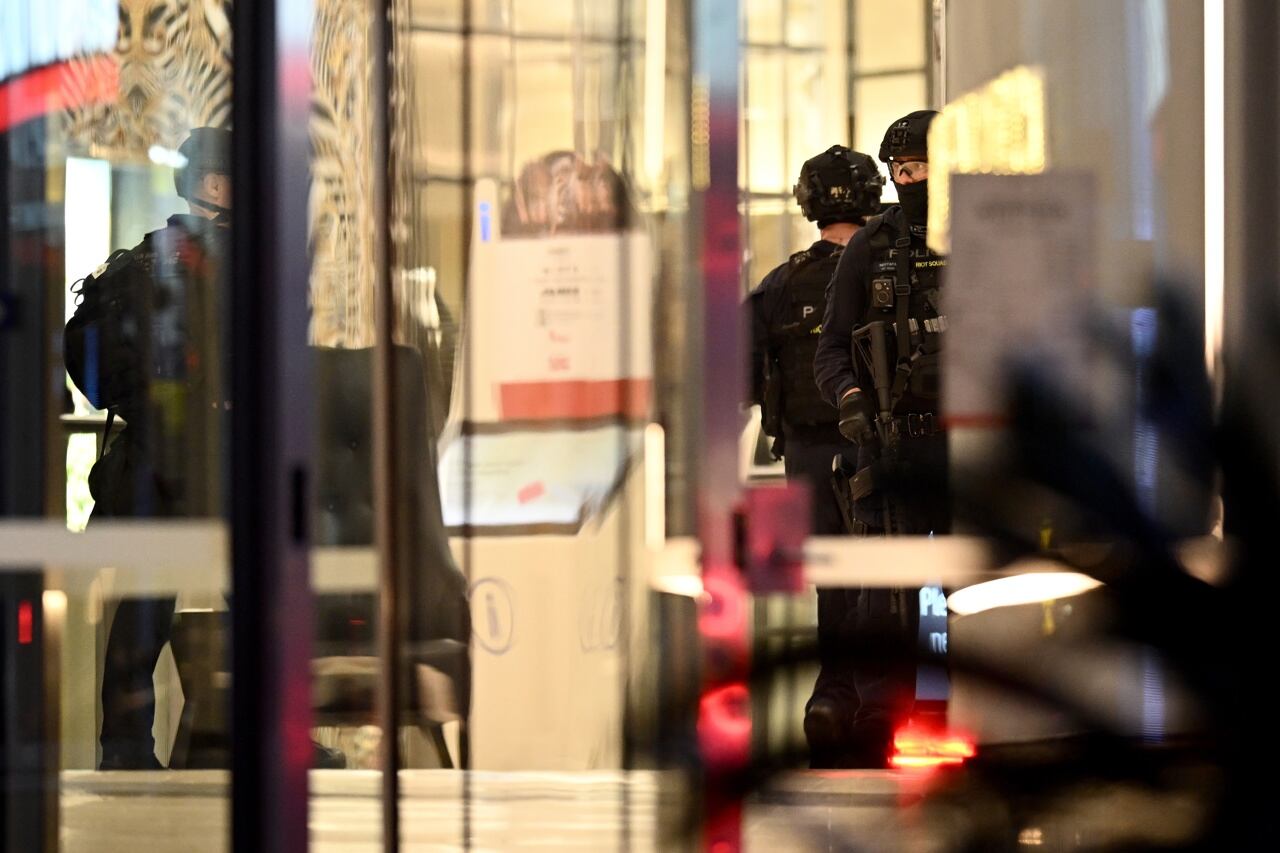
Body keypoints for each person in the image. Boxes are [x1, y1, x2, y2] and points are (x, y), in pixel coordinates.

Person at [65, 126, 232, 769]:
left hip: (146, 464)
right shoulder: (233, 260)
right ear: (214, 186)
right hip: (214, 460)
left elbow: (94, 364)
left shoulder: (139, 256)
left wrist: (147, 413)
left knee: (140, 616)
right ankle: (268, 738)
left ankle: (126, 751)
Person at [812, 110, 948, 767]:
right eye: (900, 170)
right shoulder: (871, 245)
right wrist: (852, 401)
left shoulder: (975, 239)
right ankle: (875, 713)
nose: (907, 178)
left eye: (918, 167)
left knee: (957, 583)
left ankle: (945, 706)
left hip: (960, 443)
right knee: (877, 589)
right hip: (889, 442)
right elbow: (832, 348)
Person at [744, 145, 883, 768]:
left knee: (831, 581)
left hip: (805, 452)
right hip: (881, 447)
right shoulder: (891, 266)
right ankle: (872, 704)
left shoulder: (780, 283)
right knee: (886, 578)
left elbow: (740, 377)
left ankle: (832, 699)